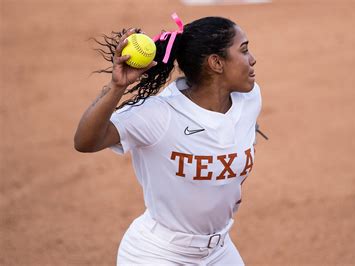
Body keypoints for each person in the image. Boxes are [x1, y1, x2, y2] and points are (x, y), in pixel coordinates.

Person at [74, 13, 261, 265]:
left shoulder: (250, 100)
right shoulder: (158, 114)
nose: (252, 59)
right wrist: (116, 87)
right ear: (216, 63)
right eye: (244, 50)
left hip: (218, 251)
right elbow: (85, 142)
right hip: (158, 253)